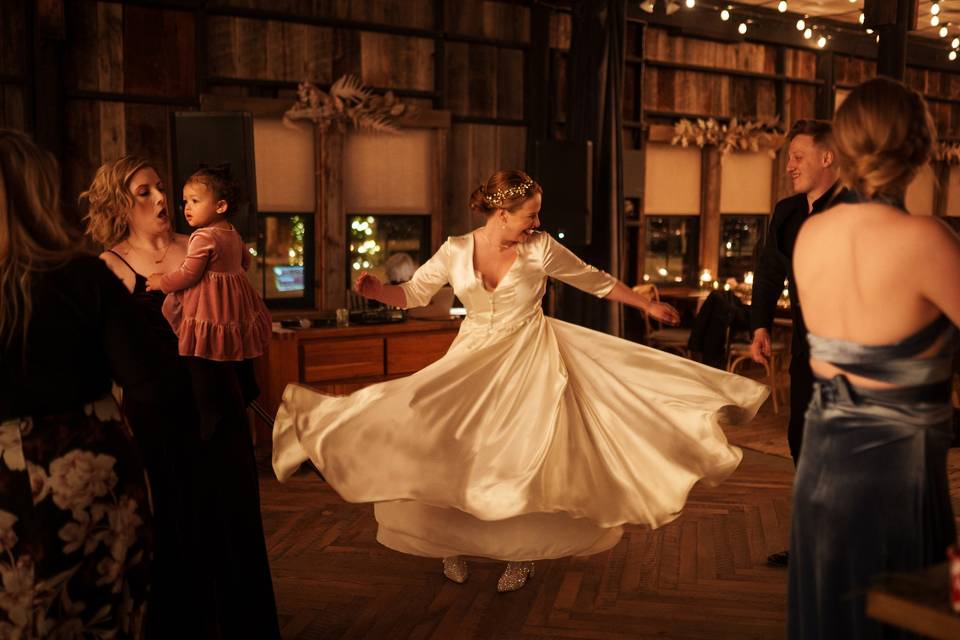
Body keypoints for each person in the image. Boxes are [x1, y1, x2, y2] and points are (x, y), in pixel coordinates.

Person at [273, 169, 769, 592]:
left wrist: (645, 302)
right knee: (448, 445)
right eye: (530, 214)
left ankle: (523, 550)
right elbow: (414, 295)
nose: (537, 222)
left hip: (528, 360)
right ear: (501, 213)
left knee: (519, 458)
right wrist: (380, 291)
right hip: (469, 359)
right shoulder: (455, 249)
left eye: (537, 214)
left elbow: (594, 279)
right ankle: (452, 541)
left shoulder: (541, 249)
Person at [789, 77, 960, 639]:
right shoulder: (927, 240)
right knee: (900, 623)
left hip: (822, 464)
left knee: (831, 618)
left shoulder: (810, 235)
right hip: (896, 476)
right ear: (920, 148)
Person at [83, 158, 280, 638]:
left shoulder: (204, 245)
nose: (161, 200)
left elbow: (236, 318)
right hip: (158, 418)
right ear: (120, 205)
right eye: (144, 192)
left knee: (232, 524)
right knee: (174, 526)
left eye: (161, 188)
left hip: (218, 409)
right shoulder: (110, 265)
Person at [0, 129, 163, 637]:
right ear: (39, 195)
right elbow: (146, 377)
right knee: (98, 614)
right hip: (88, 474)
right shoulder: (83, 276)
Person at [749, 119, 845, 567]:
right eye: (789, 157)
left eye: (798, 156)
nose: (789, 166)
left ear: (827, 158)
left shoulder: (854, 210)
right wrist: (760, 325)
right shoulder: (786, 212)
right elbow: (770, 271)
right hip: (808, 348)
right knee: (802, 439)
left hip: (852, 349)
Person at [145, 165, 272, 440]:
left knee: (204, 360)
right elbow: (245, 262)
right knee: (226, 356)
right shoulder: (232, 233)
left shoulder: (203, 237)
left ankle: (208, 422)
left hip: (210, 307)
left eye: (195, 201)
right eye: (185, 202)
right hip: (233, 306)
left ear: (221, 205)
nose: (186, 208)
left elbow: (189, 274)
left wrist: (160, 282)